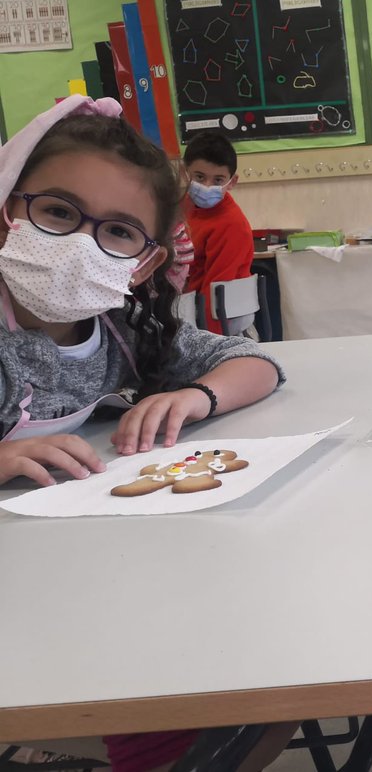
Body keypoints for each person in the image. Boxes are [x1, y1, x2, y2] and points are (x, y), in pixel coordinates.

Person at [0, 95, 288, 770]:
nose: (79, 243)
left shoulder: (124, 329)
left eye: (120, 231)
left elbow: (258, 366)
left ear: (147, 263)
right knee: (160, 670)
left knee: (248, 650)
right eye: (59, 212)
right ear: (11, 212)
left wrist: (193, 397)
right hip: (31, 605)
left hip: (70, 564)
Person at [182, 131, 254, 334]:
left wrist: (208, 341)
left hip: (220, 322)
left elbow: (216, 294)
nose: (206, 187)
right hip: (187, 308)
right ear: (184, 172)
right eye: (199, 177)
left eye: (218, 180)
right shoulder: (182, 206)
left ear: (232, 182)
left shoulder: (232, 225)